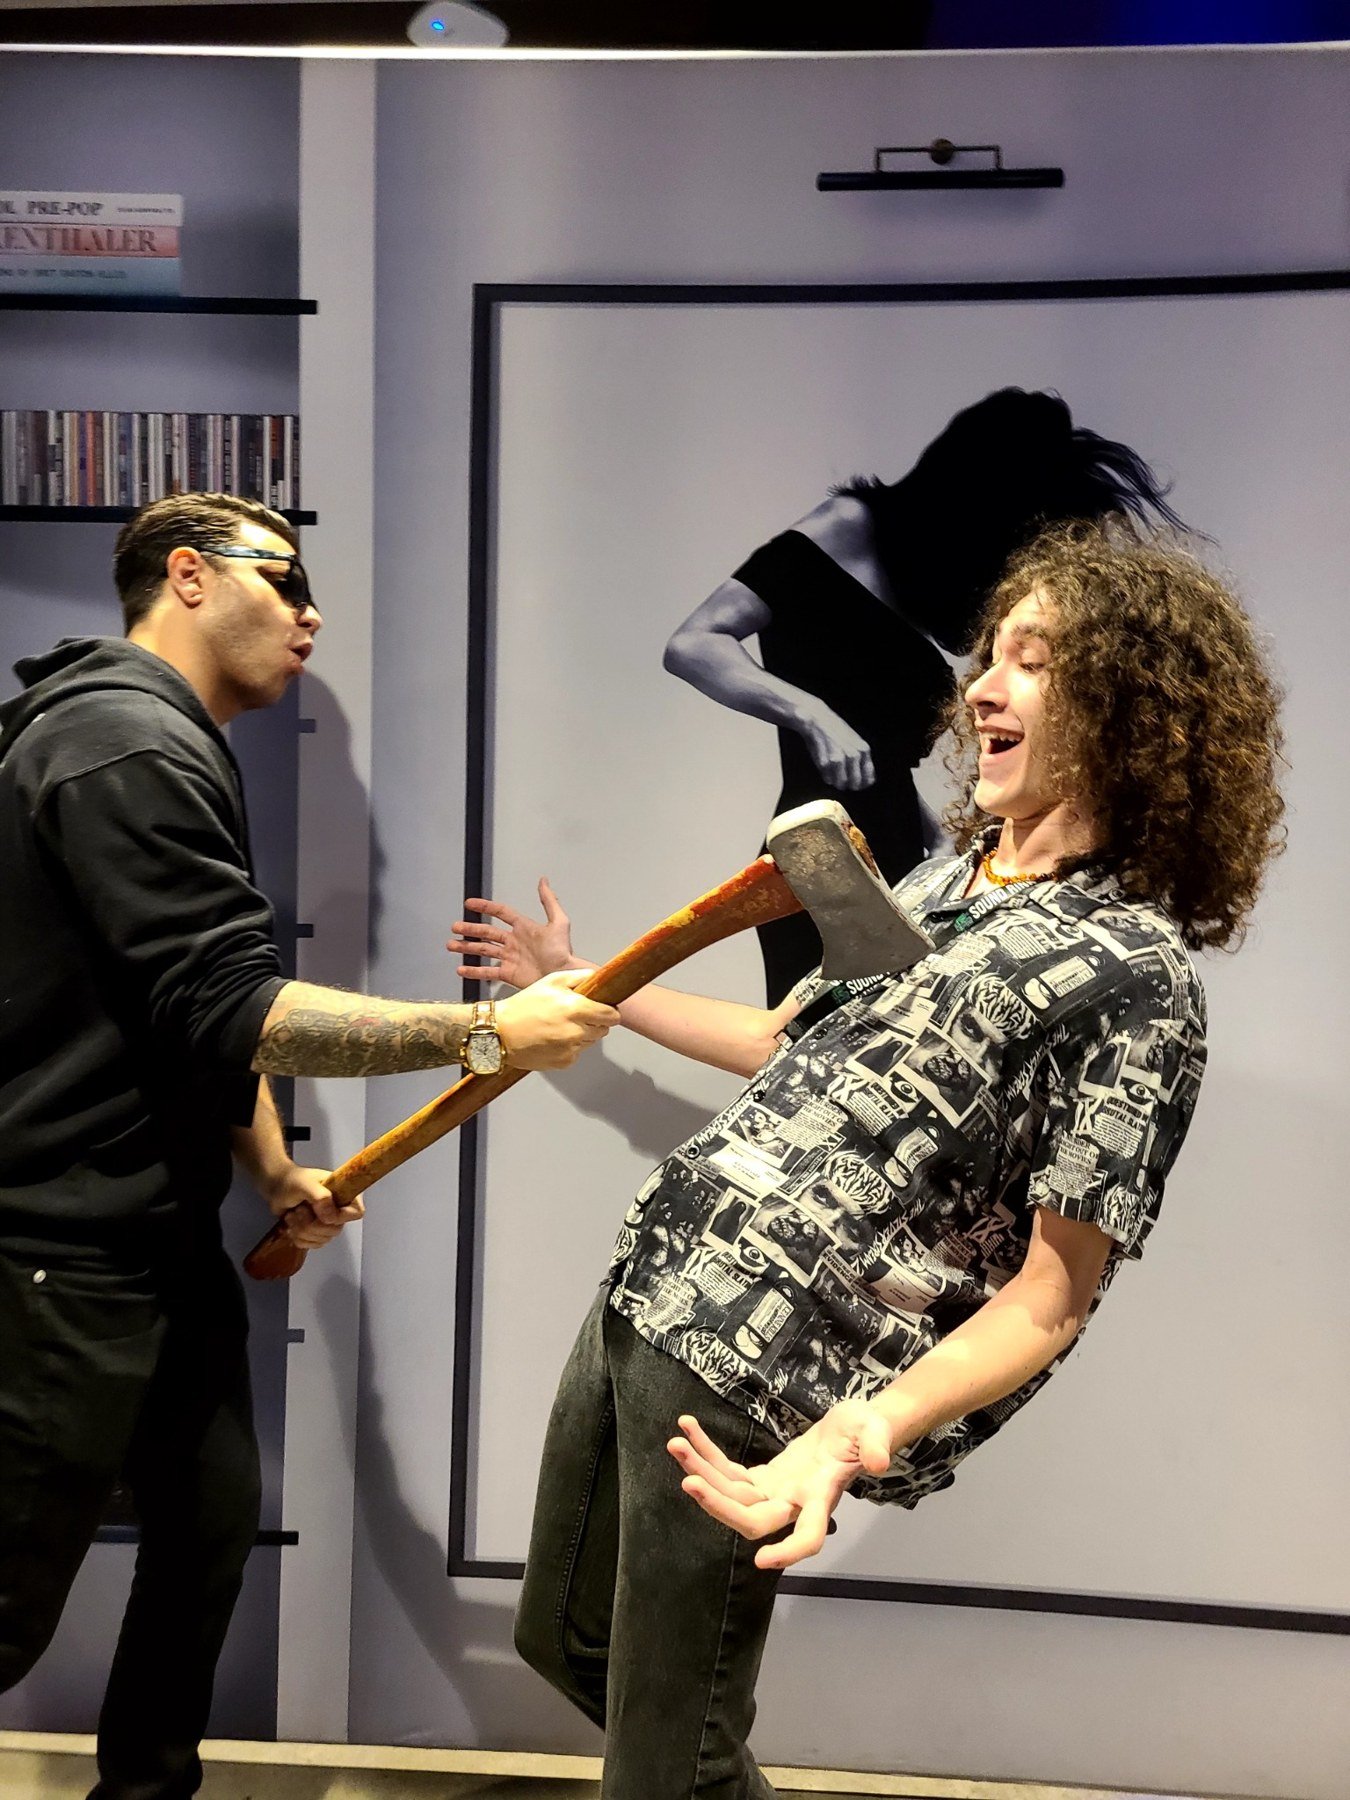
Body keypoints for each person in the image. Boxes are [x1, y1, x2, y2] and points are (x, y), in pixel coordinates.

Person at [449, 521, 1284, 1799]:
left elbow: (1053, 1295)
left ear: (1127, 711)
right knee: (566, 1641)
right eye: (988, 659)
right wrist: (594, 990)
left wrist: (852, 1438)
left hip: (761, 1367)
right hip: (648, 1298)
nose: (980, 692)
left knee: (663, 1763)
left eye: (1031, 665)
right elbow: (785, 1048)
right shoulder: (948, 881)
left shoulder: (1137, 979)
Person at [0, 492, 617, 1800]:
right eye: (283, 580)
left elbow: (182, 1015)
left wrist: (273, 1169)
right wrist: (484, 1033)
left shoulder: (166, 743)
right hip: (55, 1254)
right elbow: (237, 1007)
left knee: (209, 1529)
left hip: (153, 1247)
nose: (311, 612)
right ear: (185, 577)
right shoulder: (121, 749)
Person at [662, 387, 1183, 1003]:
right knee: (810, 1052)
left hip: (900, 855)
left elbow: (880, 761)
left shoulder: (926, 586)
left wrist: (935, 841)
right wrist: (810, 715)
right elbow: (693, 643)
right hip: (816, 849)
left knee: (883, 1060)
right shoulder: (848, 527)